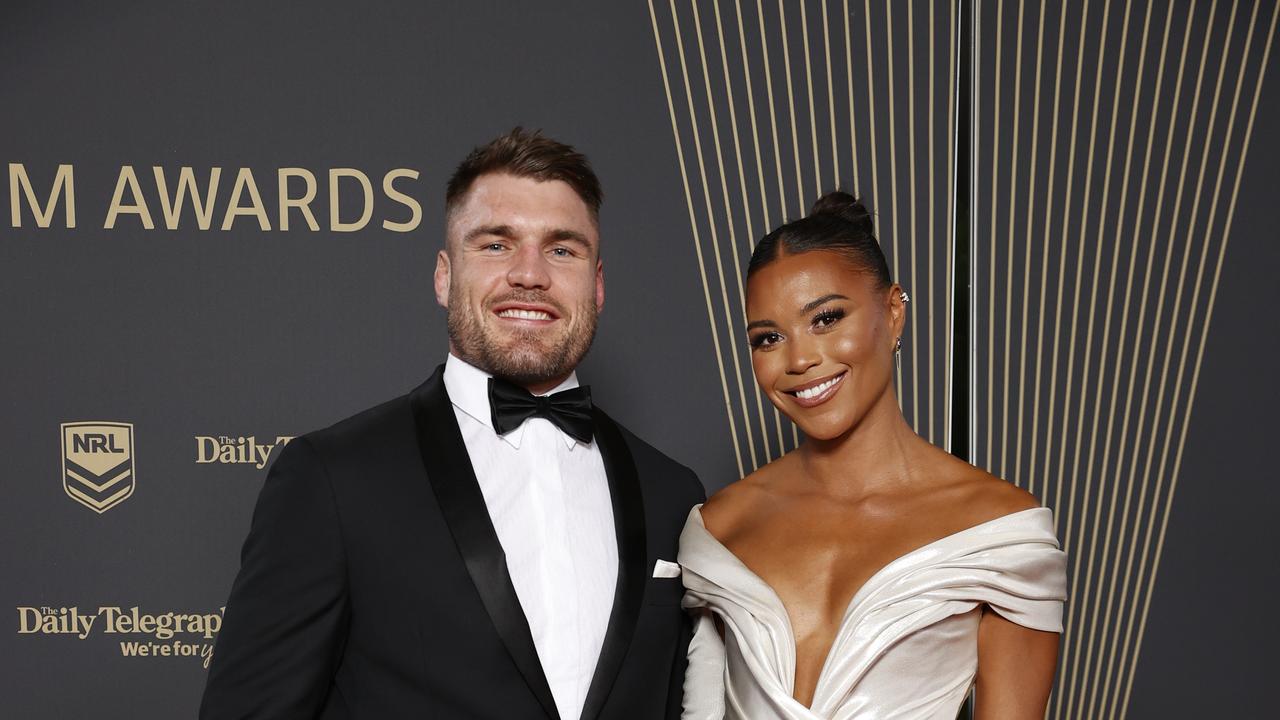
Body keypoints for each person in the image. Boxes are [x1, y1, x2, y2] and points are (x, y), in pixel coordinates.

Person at [200, 128, 705, 720]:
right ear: (444, 276)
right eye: (496, 245)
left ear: (596, 286)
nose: (530, 274)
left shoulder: (672, 493)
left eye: (562, 250)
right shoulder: (332, 480)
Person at [678, 192, 1067, 719]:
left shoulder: (999, 534)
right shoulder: (720, 528)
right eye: (768, 338)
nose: (799, 359)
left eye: (826, 319)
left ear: (893, 311)